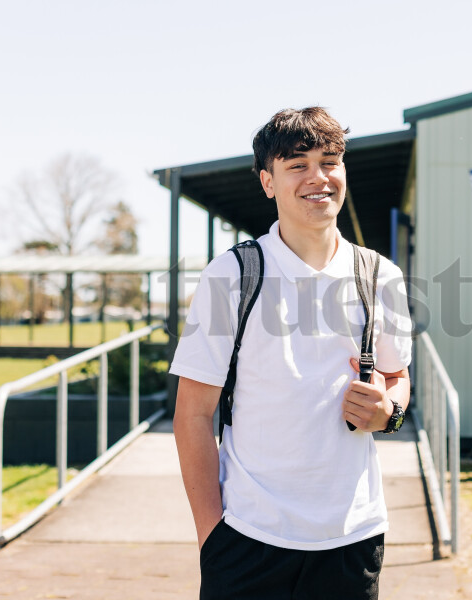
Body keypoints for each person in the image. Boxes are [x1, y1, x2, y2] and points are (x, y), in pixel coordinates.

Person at [170, 106, 413, 600]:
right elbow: (192, 415)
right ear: (268, 182)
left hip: (353, 539)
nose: (317, 177)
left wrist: (389, 411)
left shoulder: (379, 276)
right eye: (297, 165)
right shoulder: (233, 275)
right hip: (247, 539)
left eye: (329, 161)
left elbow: (398, 378)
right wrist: (211, 537)